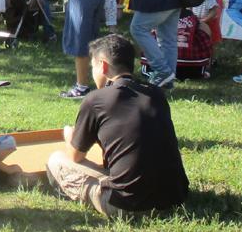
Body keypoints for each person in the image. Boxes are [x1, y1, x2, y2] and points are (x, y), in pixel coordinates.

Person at [46, 34, 188, 218]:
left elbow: (75, 156)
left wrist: (69, 136)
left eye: (93, 67)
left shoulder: (96, 100)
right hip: (174, 198)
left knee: (56, 159)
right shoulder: (156, 94)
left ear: (103, 66)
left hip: (126, 205)